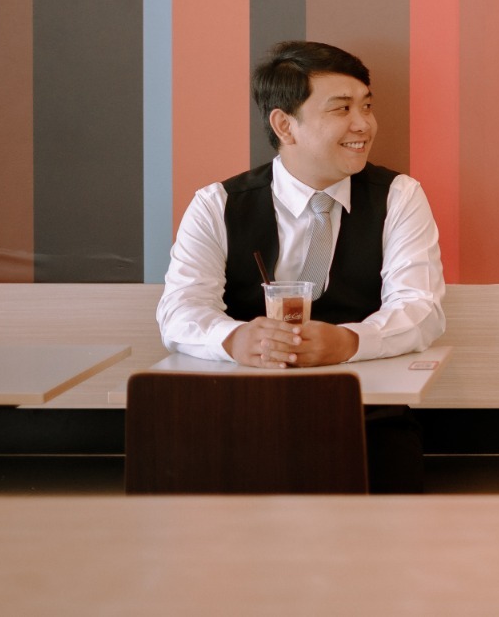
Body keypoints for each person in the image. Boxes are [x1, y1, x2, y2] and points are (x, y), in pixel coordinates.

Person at [157, 40, 446, 491]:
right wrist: (233, 339)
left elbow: (421, 309)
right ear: (284, 125)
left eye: (366, 106)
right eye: (342, 108)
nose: (363, 124)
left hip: (365, 414)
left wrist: (349, 341)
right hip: (240, 411)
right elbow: (179, 310)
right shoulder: (217, 204)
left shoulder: (399, 196)